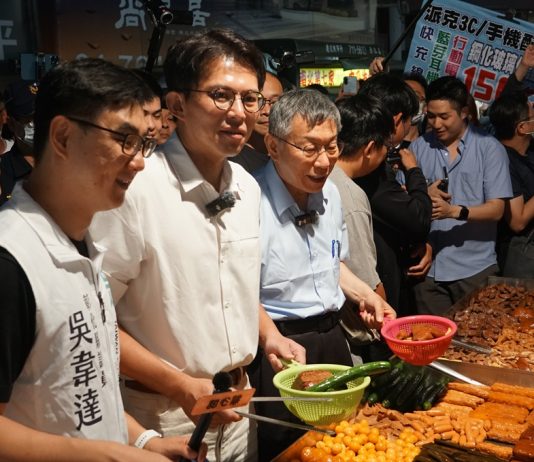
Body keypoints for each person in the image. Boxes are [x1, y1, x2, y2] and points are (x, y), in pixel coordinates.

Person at [90, 29, 304, 462]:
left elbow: (232, 287)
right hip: (162, 414)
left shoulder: (246, 186)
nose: (238, 113)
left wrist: (269, 334)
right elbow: (96, 320)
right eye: (221, 95)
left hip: (238, 404)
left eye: (250, 99)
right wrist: (178, 385)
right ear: (177, 104)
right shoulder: (135, 190)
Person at [0, 58, 206, 462]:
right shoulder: (12, 260)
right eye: (124, 139)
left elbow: (86, 386)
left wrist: (144, 441)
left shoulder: (84, 243)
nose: (140, 161)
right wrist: (110, 456)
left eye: (143, 143)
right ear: (62, 136)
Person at [249, 89, 396, 461]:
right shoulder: (247, 201)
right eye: (309, 148)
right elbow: (236, 289)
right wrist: (270, 337)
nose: (324, 161)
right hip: (280, 349)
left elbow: (335, 263)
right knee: (288, 450)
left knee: (343, 442)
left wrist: (367, 295)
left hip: (332, 340)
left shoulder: (331, 194)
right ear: (273, 145)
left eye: (331, 147)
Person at [411, 76, 513, 314]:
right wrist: (422, 194)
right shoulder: (418, 147)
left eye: (444, 116)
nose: (436, 124)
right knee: (433, 336)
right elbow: (403, 198)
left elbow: (497, 209)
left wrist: (454, 212)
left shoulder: (490, 149)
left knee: (478, 335)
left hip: (474, 268)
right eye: (431, 116)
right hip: (428, 271)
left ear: (464, 112)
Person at [357, 73, 432, 314]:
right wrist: (414, 172)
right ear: (398, 120)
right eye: (409, 121)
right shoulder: (370, 170)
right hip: (375, 292)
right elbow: (419, 220)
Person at [331, 94, 392, 352]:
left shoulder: (323, 178)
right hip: (348, 334)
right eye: (386, 146)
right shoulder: (349, 195)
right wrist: (387, 322)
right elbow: (364, 274)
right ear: (370, 148)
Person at [489, 91, 534, 277]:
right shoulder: (502, 160)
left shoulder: (529, 150)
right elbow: (517, 221)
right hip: (521, 256)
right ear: (522, 127)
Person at [231, 71, 283, 173]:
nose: (267, 111)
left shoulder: (290, 154)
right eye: (257, 101)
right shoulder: (233, 163)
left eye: (275, 102)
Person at [0, 80, 36, 205]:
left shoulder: (69, 163)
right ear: (11, 123)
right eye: (31, 117)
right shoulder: (4, 172)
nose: (41, 122)